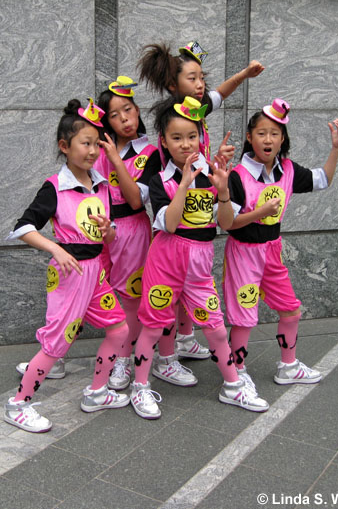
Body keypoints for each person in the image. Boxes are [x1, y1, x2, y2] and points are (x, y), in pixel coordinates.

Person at [130, 96, 270, 419]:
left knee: (217, 328)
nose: (185, 144)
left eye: (191, 136)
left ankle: (233, 386)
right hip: (165, 262)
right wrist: (184, 183)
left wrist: (222, 190)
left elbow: (225, 223)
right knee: (152, 327)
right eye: (176, 138)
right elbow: (169, 223)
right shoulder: (160, 180)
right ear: (163, 141)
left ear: (201, 137)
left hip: (199, 267)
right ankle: (140, 387)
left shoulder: (213, 175)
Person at [4, 98, 130, 433]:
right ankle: (18, 404)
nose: (92, 151)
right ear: (65, 146)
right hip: (70, 275)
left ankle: (98, 391)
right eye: (84, 143)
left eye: (95, 143)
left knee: (119, 330)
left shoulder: (102, 184)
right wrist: (55, 248)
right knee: (56, 344)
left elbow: (111, 237)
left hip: (96, 274)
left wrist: (110, 232)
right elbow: (22, 227)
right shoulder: (55, 187)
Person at [138, 41, 265, 366]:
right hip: (177, 202)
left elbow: (222, 91)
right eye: (192, 78)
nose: (201, 85)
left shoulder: (198, 108)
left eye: (201, 78)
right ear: (173, 86)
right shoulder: (174, 117)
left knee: (190, 285)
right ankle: (165, 358)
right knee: (168, 291)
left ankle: (184, 339)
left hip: (200, 195)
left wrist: (245, 74)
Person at [223, 98, 338, 397]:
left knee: (291, 310)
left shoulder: (287, 169)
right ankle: (236, 373)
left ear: (282, 139)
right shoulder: (237, 175)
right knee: (243, 317)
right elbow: (228, 223)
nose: (268, 139)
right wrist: (260, 214)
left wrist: (336, 148)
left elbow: (323, 179)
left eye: (274, 134)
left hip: (272, 252)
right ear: (250, 138)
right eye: (261, 133)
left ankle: (288, 367)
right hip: (244, 253)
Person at [94, 76, 161, 391]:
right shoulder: (96, 149)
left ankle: (123, 361)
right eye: (115, 114)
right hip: (98, 230)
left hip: (132, 229)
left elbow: (136, 199)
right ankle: (56, 353)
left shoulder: (150, 152)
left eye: (129, 110)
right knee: (87, 289)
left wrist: (116, 160)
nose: (125, 119)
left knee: (130, 298)